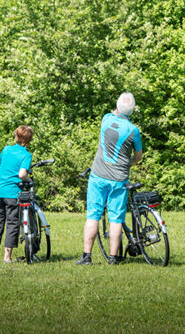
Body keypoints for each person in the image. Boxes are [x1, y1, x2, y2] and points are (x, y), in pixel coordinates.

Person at [76, 92, 142, 266]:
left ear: (117, 107)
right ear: (132, 111)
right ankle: (113, 257)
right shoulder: (134, 131)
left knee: (93, 216)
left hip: (98, 176)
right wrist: (129, 163)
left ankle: (86, 256)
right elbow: (139, 156)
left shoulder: (106, 120)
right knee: (116, 219)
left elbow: (114, 113)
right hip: (119, 179)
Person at [0, 125, 33, 263]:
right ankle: (7, 257)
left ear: (16, 136)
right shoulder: (26, 154)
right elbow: (22, 174)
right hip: (12, 194)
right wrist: (27, 179)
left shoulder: (6, 149)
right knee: (12, 223)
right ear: (29, 140)